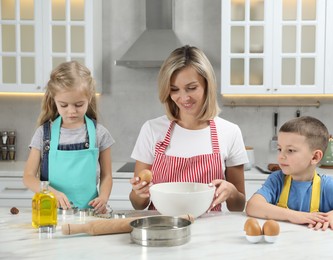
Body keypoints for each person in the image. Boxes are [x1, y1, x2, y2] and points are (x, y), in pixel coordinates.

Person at [129, 45, 247, 212]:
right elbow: (137, 204)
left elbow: (238, 206)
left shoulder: (230, 132)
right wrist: (138, 193)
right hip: (162, 229)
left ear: (207, 85)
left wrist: (232, 192)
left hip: (209, 232)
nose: (184, 98)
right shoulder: (152, 129)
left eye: (192, 88)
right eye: (174, 90)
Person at [246, 116, 333, 230]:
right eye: (280, 149)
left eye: (290, 150)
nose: (281, 156)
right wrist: (295, 216)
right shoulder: (276, 180)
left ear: (315, 157)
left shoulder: (326, 186)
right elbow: (253, 206)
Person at [23, 61, 115, 213]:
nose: (71, 111)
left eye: (78, 104)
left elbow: (107, 176)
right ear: (54, 100)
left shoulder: (100, 133)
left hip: (89, 213)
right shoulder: (43, 134)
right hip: (50, 213)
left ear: (89, 98)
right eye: (64, 105)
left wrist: (103, 198)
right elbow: (28, 177)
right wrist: (50, 192)